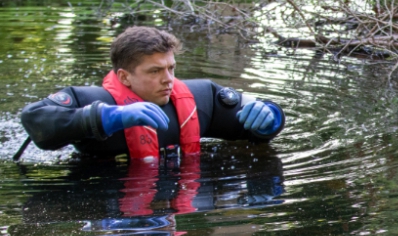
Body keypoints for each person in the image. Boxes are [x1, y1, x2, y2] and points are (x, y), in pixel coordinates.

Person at [20, 26, 285, 159]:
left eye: (171, 68)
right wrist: (108, 118)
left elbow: (257, 129)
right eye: (154, 71)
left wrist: (270, 118)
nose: (168, 80)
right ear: (125, 76)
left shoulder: (200, 97)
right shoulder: (90, 101)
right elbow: (35, 121)